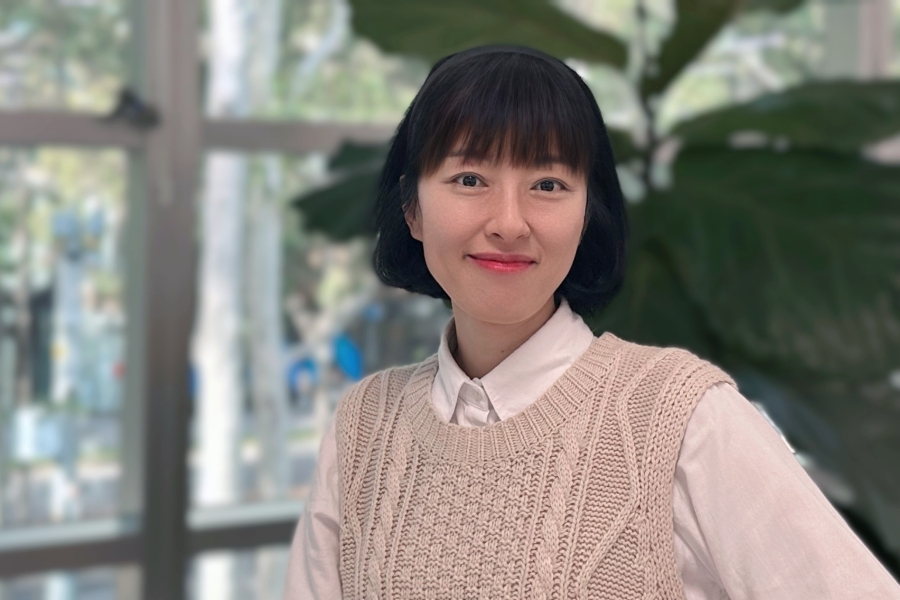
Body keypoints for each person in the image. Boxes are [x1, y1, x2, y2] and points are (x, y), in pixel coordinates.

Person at [284, 44, 900, 599]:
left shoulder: (680, 416)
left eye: (548, 184)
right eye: (469, 179)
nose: (509, 221)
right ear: (412, 209)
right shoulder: (365, 425)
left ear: (587, 216)